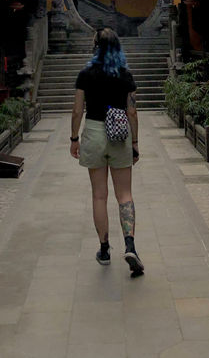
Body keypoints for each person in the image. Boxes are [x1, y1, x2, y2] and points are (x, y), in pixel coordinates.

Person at [69, 27, 143, 276]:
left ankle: (104, 249)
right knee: (125, 194)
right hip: (119, 134)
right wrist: (135, 143)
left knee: (99, 196)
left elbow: (78, 110)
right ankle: (130, 245)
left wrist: (74, 138)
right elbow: (132, 111)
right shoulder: (125, 75)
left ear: (96, 47)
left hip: (94, 132)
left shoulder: (86, 74)